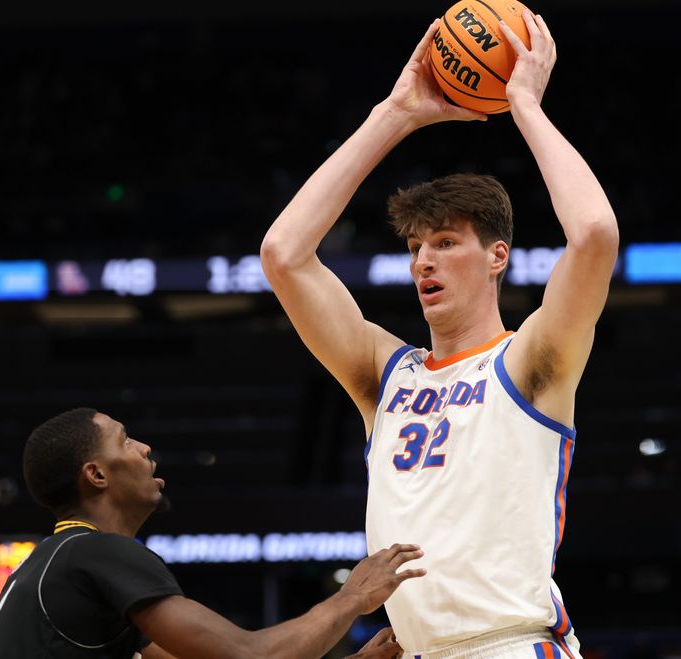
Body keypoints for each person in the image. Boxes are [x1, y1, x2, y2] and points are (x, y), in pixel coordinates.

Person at [260, 12, 618, 659]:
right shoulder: (385, 374)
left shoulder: (531, 359)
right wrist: (393, 114)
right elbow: (283, 254)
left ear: (496, 256)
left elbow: (593, 234)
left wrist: (525, 106)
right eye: (416, 246)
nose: (424, 259)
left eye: (446, 242)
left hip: (512, 644)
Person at [0, 407, 424, 659]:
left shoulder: (54, 563)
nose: (144, 447)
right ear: (96, 475)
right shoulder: (96, 552)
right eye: (125, 440)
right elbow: (247, 658)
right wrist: (352, 599)